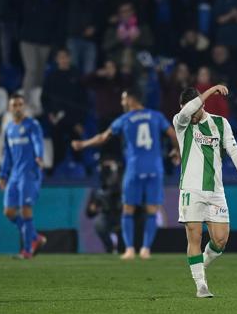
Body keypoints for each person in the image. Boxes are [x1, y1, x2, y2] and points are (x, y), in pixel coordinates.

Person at [72, 89, 180, 260]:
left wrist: (83, 144)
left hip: (134, 168)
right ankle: (146, 250)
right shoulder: (156, 116)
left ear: (130, 99)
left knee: (128, 209)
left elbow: (103, 137)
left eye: (123, 99)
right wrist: (177, 152)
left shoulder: (125, 119)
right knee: (152, 210)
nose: (121, 102)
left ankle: (129, 249)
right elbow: (173, 134)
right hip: (154, 168)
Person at [174, 85, 237, 298]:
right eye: (186, 109)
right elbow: (187, 110)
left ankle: (199, 266)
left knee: (220, 240)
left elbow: (233, 148)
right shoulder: (181, 123)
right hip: (191, 189)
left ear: (202, 106)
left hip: (216, 190)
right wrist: (212, 89)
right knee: (195, 235)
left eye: (194, 109)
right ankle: (201, 285)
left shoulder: (220, 123)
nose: (189, 114)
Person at [0, 94, 47, 259]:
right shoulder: (9, 129)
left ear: (24, 107)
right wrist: (3, 174)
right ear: (9, 108)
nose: (18, 108)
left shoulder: (32, 125)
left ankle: (27, 250)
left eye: (20, 104)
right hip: (15, 175)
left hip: (29, 173)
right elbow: (7, 155)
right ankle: (35, 237)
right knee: (9, 211)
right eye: (14, 105)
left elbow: (38, 141)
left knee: (26, 210)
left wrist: (39, 156)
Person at [41, 48, 87, 166]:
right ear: (57, 60)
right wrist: (50, 113)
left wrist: (80, 121)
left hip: (74, 118)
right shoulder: (51, 77)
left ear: (69, 58)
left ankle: (81, 169)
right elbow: (44, 98)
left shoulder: (77, 75)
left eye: (65, 57)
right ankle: (55, 171)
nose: (63, 60)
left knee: (77, 146)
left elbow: (84, 100)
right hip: (57, 118)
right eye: (60, 57)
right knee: (57, 146)